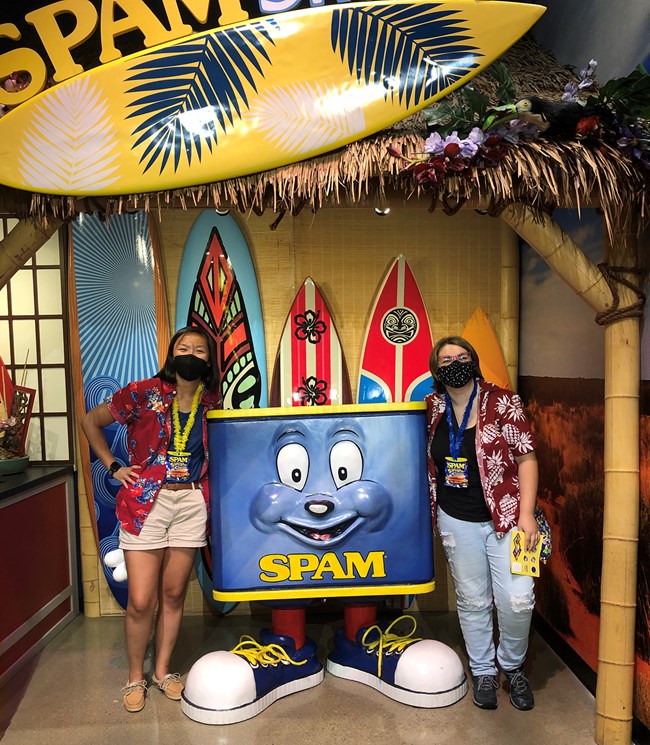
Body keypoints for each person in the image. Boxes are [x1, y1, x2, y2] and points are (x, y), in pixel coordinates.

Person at [81, 326, 220, 713]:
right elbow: (90, 421)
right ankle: (133, 676)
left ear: (209, 360)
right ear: (172, 354)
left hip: (191, 500)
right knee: (141, 600)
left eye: (200, 349)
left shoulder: (214, 402)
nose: (191, 353)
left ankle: (162, 671)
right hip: (146, 501)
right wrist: (113, 467)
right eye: (183, 347)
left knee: (174, 594)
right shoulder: (143, 391)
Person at [425, 336, 539, 711]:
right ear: (436, 369)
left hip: (509, 518)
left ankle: (513, 666)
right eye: (446, 359)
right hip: (456, 518)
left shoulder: (504, 401)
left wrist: (527, 515)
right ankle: (484, 671)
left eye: (462, 356)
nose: (454, 362)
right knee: (473, 601)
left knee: (518, 599)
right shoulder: (431, 408)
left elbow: (526, 458)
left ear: (473, 361)